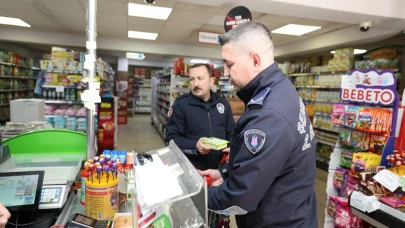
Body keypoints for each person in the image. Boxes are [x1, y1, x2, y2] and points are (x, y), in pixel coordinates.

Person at [199, 21, 317, 228]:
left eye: (230, 64)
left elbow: (239, 198)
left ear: (254, 60)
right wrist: (225, 173)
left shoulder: (268, 116)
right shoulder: (280, 89)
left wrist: (194, 195)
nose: (225, 73)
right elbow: (268, 164)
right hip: (292, 211)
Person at [165, 63, 235, 171]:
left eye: (200, 78)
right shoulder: (180, 105)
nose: (195, 84)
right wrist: (195, 145)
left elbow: (231, 133)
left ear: (211, 81)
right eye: (192, 79)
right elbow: (171, 139)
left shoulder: (222, 103)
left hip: (220, 170)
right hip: (191, 170)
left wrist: (233, 150)